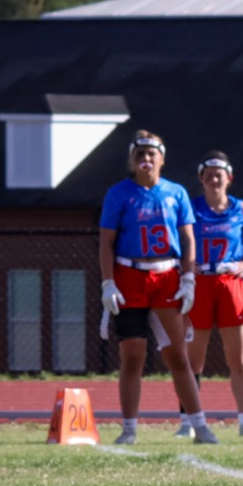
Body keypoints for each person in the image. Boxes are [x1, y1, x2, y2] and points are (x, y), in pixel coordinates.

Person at [97, 130, 212, 445]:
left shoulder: (175, 192)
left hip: (166, 277)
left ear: (162, 158)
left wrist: (188, 278)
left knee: (178, 356)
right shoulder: (118, 193)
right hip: (129, 275)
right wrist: (108, 282)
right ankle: (129, 429)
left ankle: (200, 426)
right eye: (140, 154)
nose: (146, 159)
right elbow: (105, 242)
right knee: (133, 355)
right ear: (131, 160)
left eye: (151, 154)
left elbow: (188, 238)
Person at [181, 151, 243, 439]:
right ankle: (187, 421)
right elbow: (175, 240)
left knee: (239, 359)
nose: (213, 179)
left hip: (230, 282)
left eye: (218, 174)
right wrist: (183, 265)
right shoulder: (190, 207)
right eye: (208, 174)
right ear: (201, 178)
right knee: (192, 360)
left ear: (229, 177)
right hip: (198, 283)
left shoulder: (240, 209)